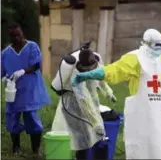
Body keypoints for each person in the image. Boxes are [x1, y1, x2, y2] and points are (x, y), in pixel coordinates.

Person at [72, 29, 161, 159]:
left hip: (157, 116)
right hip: (139, 116)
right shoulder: (135, 59)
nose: (158, 49)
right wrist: (86, 75)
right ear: (146, 43)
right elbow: (111, 71)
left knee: (158, 147)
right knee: (140, 150)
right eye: (156, 45)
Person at [51, 48, 116, 160]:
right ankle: (80, 157)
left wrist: (108, 92)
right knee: (81, 136)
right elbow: (83, 99)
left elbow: (101, 78)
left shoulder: (97, 59)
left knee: (93, 135)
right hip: (72, 104)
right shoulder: (75, 74)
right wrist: (95, 123)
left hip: (89, 98)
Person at [1, 22, 51, 156]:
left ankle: (36, 149)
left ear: (22, 32)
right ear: (9, 37)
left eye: (18, 34)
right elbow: (2, 71)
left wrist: (23, 71)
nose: (17, 38)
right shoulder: (5, 53)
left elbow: (36, 65)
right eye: (13, 36)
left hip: (29, 90)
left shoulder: (32, 46)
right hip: (13, 92)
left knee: (32, 118)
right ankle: (16, 148)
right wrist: (4, 78)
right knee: (12, 118)